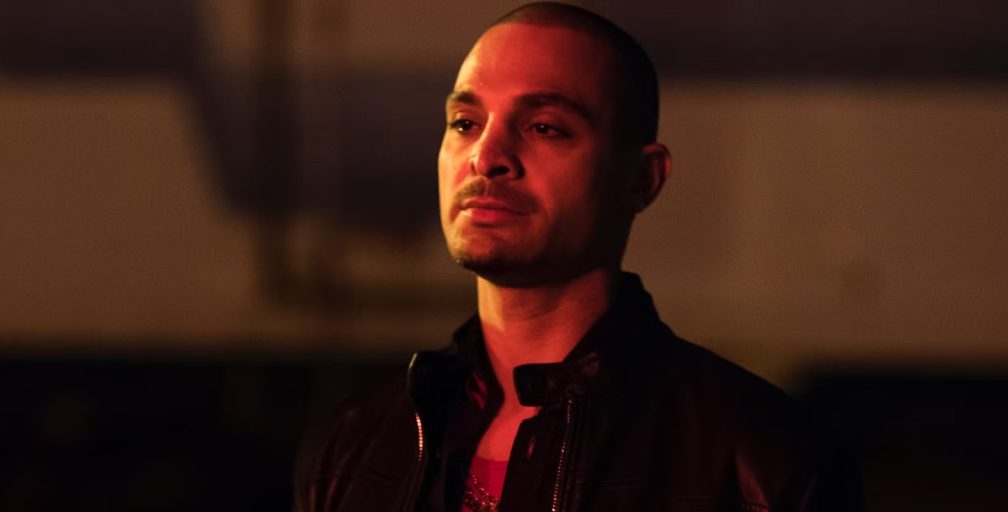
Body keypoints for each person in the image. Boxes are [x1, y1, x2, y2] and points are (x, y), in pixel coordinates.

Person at [295, 3, 860, 511]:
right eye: (465, 123)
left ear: (641, 178)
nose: (486, 156)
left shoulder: (760, 459)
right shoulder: (359, 440)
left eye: (545, 127)